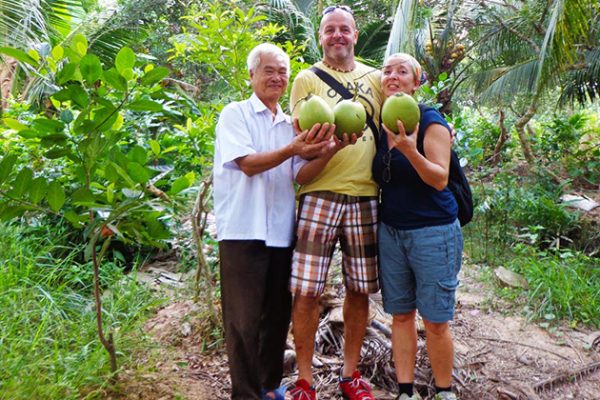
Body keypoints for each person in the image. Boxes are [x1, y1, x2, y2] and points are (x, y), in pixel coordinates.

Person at [213, 43, 334, 400]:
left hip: (280, 232)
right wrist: (293, 149)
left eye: (282, 71)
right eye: (269, 70)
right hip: (242, 231)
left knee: (276, 317)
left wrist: (332, 150)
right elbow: (248, 164)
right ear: (251, 75)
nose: (277, 78)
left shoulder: (290, 124)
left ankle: (269, 387)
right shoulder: (235, 114)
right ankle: (246, 394)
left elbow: (302, 176)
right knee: (243, 321)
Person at [287, 5, 383, 400]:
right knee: (307, 291)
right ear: (320, 36)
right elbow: (301, 148)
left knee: (359, 289)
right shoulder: (305, 80)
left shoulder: (377, 78)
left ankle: (349, 374)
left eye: (345, 29)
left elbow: (402, 119)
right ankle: (305, 380)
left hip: (366, 196)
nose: (338, 35)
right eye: (330, 30)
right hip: (319, 194)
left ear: (356, 35)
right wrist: (326, 146)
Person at [372, 53, 463, 400]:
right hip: (392, 232)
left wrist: (410, 150)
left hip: (433, 231)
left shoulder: (429, 119)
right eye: (387, 71)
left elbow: (439, 179)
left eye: (402, 71)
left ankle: (444, 391)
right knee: (400, 315)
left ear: (416, 81)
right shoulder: (381, 123)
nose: (393, 76)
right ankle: (406, 391)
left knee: (436, 321)